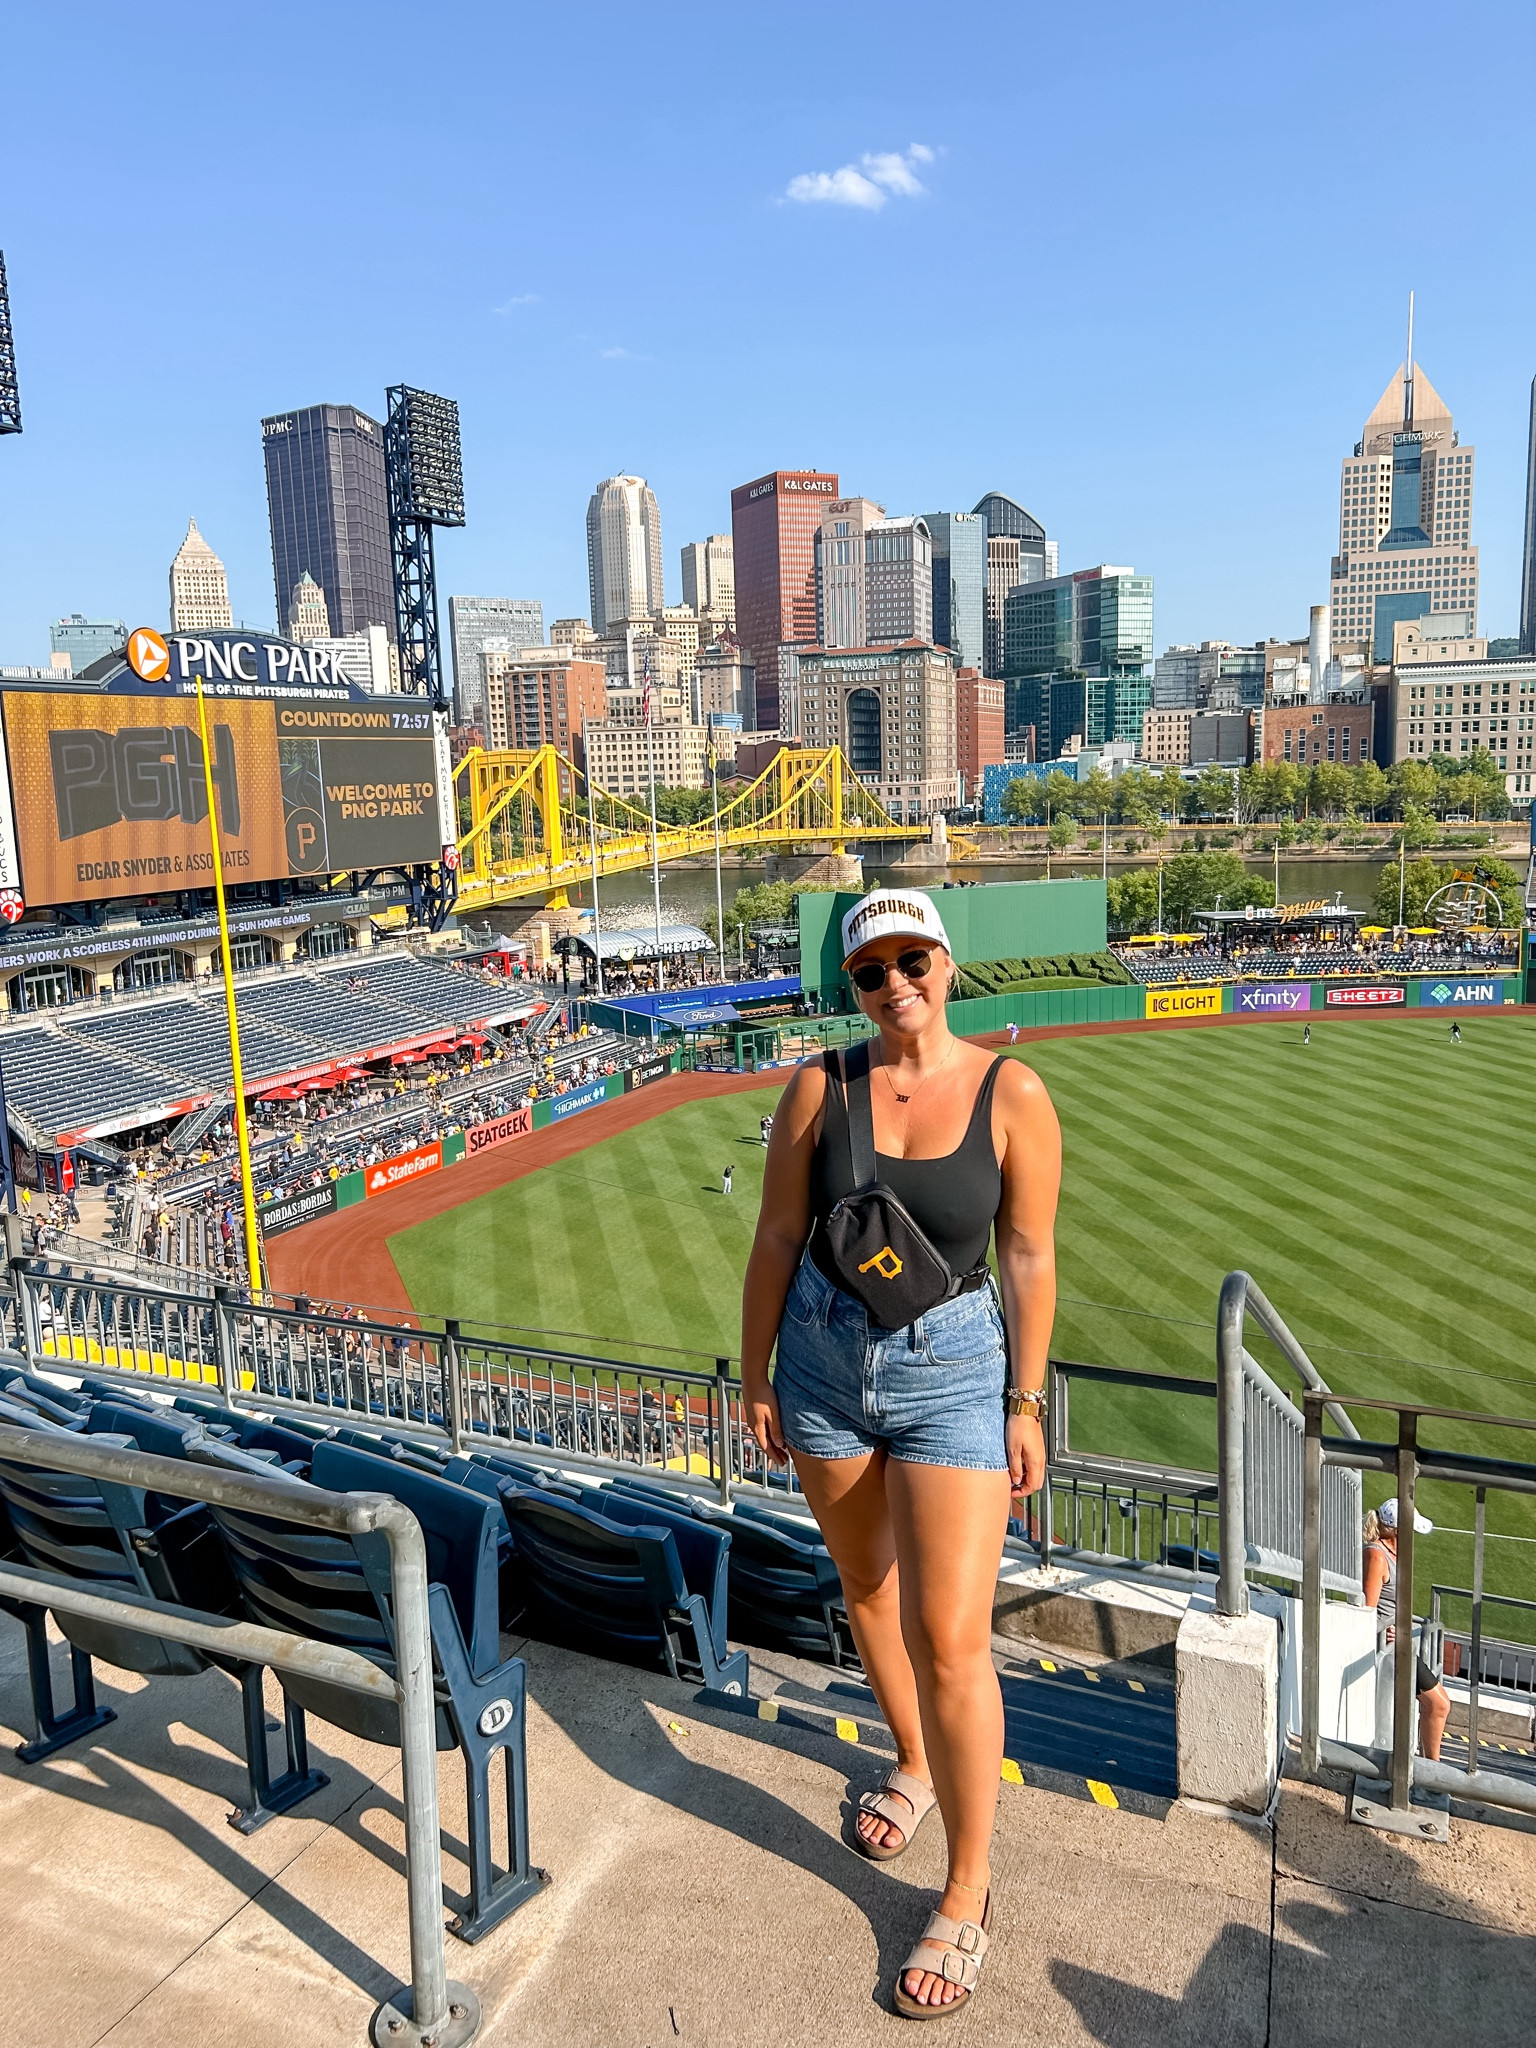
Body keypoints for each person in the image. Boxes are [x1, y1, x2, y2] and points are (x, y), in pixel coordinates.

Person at [741, 887, 1060, 2021]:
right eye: (870, 971)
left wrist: (1027, 1400)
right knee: (865, 1586)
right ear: (854, 985)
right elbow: (779, 1233)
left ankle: (966, 1891)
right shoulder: (818, 1084)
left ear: (944, 957)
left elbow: (1026, 1254)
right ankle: (913, 1763)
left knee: (955, 1635)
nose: (894, 984)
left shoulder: (1012, 1091)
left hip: (957, 1371)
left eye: (910, 958)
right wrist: (755, 1371)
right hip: (824, 1363)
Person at [1362, 1497, 1448, 1761]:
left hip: (1401, 1646)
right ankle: (1432, 1772)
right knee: (1438, 1704)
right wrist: (1384, 1630)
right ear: (1398, 1530)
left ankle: (1430, 1768)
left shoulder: (1395, 1555)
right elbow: (1367, 1608)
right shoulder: (1377, 1555)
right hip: (1391, 1648)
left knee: (1438, 1705)